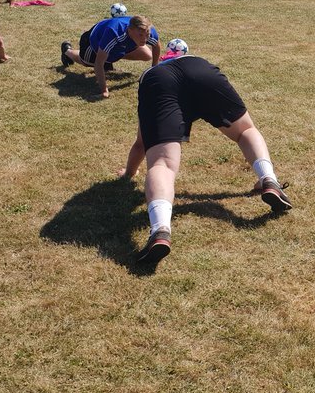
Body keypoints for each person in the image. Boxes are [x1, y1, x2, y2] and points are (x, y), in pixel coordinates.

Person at [119, 42, 292, 265]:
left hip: (159, 84)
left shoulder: (152, 74)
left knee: (163, 163)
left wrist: (129, 173)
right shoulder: (194, 59)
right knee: (245, 131)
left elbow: (141, 144)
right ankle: (268, 180)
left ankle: (160, 230)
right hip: (202, 72)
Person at [60, 14, 160, 99]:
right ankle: (67, 51)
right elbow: (98, 63)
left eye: (147, 35)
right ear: (130, 30)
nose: (145, 39)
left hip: (115, 46)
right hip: (93, 43)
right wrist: (104, 91)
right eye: (140, 35)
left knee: (147, 55)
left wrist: (153, 70)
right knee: (86, 62)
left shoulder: (147, 30)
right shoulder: (114, 32)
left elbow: (156, 45)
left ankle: (109, 58)